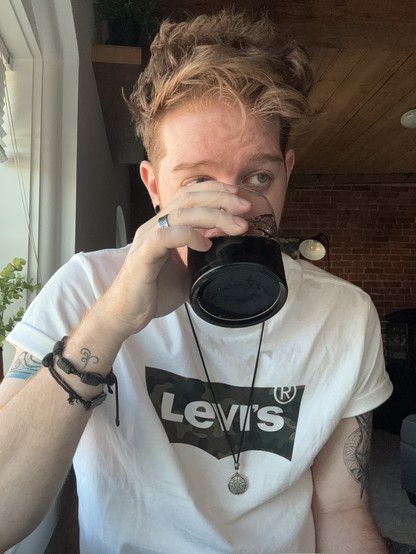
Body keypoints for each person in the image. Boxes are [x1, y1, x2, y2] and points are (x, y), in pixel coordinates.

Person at [0, 9, 392, 553]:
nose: (234, 209)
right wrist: (112, 322)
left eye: (259, 176)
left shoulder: (346, 316)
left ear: (288, 172)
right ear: (154, 186)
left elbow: (343, 507)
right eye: (199, 181)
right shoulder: (86, 288)